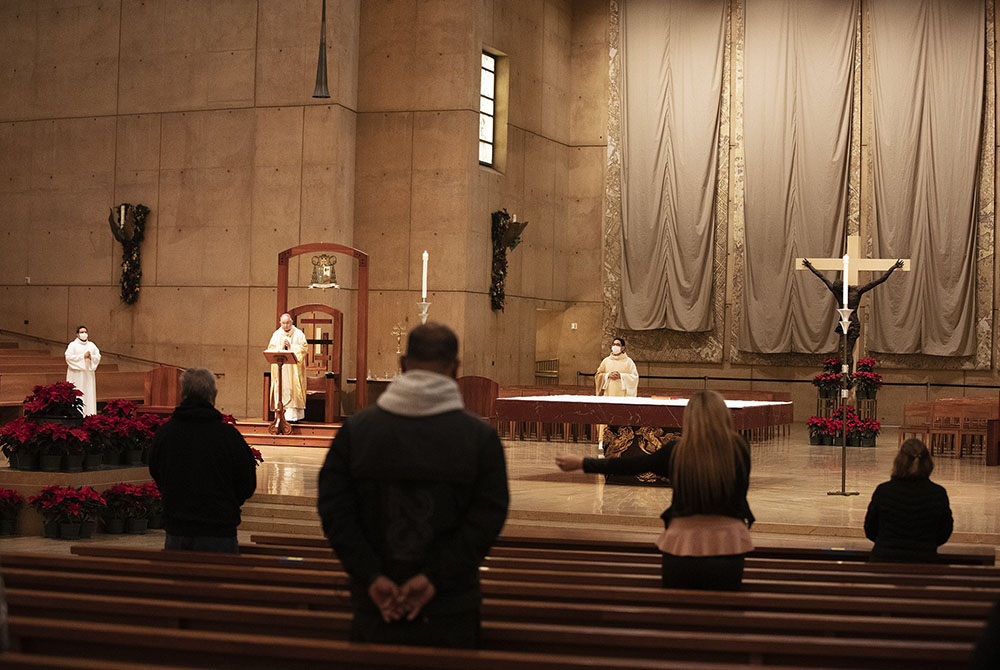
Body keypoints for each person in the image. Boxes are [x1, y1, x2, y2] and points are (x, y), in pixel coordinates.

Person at [317, 323, 509, 649]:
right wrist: (436, 577)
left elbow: (334, 511)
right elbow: (488, 517)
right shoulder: (479, 438)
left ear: (403, 365)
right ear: (456, 368)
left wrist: (372, 576)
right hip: (450, 608)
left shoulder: (357, 430)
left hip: (375, 606)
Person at [556, 390, 754, 591]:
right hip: (729, 542)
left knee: (677, 608)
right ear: (724, 415)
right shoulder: (739, 448)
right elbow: (740, 493)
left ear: (690, 418)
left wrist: (582, 463)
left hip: (682, 541)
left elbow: (631, 465)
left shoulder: (678, 451)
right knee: (724, 609)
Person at [149, 368, 257, 553]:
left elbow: (156, 472)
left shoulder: (165, 434)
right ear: (214, 395)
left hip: (177, 529)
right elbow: (247, 484)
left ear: (182, 393)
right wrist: (226, 504)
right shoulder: (228, 437)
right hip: (218, 531)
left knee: (178, 581)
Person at [801, 258, 904, 372]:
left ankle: (848, 374)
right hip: (843, 323)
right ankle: (844, 374)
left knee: (848, 351)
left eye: (839, 291)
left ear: (843, 287)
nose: (839, 294)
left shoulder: (857, 291)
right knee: (841, 351)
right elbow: (823, 278)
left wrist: (893, 267)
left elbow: (880, 280)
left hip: (853, 324)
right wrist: (810, 266)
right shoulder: (837, 291)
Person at [863, 438, 953, 563]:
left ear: (898, 462)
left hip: (884, 563)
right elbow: (944, 532)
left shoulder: (884, 491)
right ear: (928, 463)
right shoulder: (937, 494)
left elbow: (870, 529)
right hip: (924, 563)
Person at [594, 336, 639, 449]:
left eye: (618, 345)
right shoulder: (606, 361)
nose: (615, 346)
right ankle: (602, 440)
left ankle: (621, 441)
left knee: (620, 417)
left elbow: (635, 377)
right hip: (608, 394)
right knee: (606, 417)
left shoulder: (629, 362)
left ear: (623, 347)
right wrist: (607, 375)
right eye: (614, 344)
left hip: (622, 396)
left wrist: (622, 376)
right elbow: (598, 375)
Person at [267, 313, 308, 423]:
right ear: (280, 323)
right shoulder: (276, 334)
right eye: (283, 323)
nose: (285, 325)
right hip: (281, 369)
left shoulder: (298, 334)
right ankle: (280, 416)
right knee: (281, 388)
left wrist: (291, 347)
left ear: (291, 322)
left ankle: (293, 417)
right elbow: (271, 349)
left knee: (293, 390)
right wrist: (281, 347)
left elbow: (304, 349)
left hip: (293, 370)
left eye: (288, 323)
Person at [65, 325, 101, 416]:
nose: (84, 334)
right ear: (77, 334)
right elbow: (68, 357)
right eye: (81, 332)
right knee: (78, 393)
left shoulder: (92, 345)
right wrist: (82, 357)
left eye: (85, 332)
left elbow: (98, 356)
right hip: (76, 375)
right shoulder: (72, 345)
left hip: (88, 374)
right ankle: (76, 415)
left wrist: (91, 357)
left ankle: (90, 415)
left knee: (88, 394)